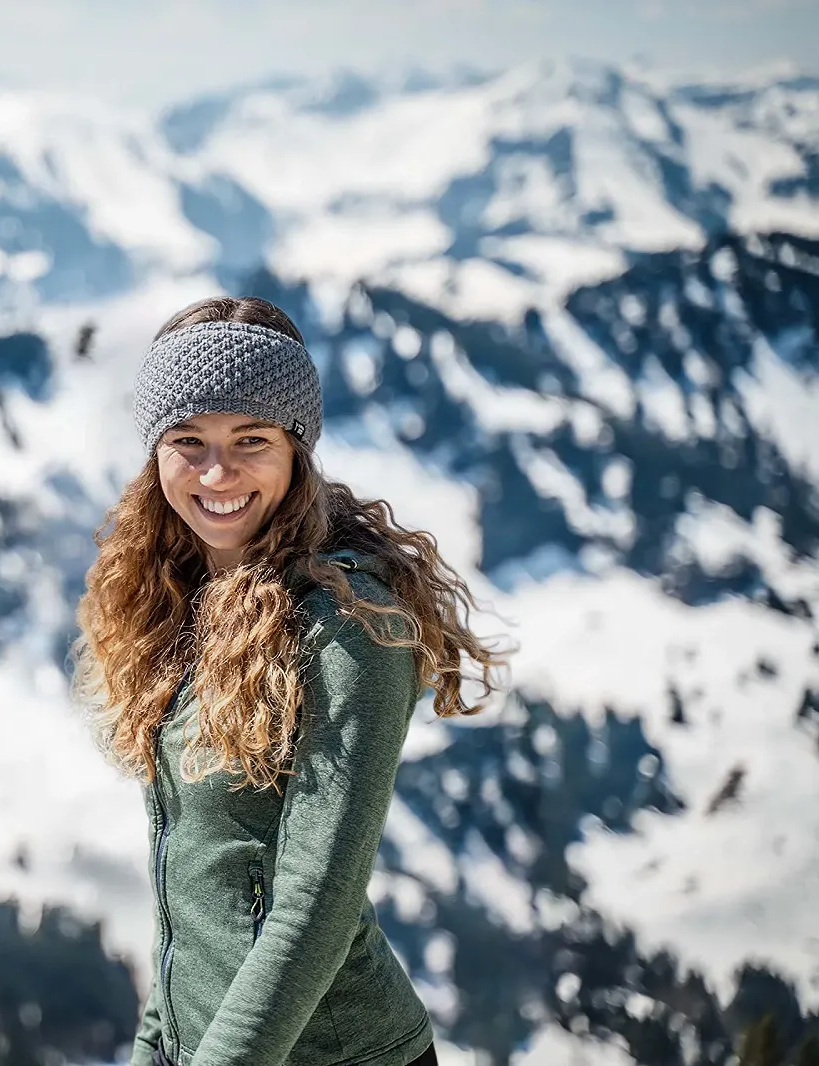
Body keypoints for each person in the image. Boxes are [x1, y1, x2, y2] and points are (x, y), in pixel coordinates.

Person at [71, 296, 502, 1066]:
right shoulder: (183, 603)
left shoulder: (348, 622)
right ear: (155, 453)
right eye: (188, 440)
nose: (217, 471)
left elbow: (316, 905)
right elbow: (189, 900)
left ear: (297, 448)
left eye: (251, 439)